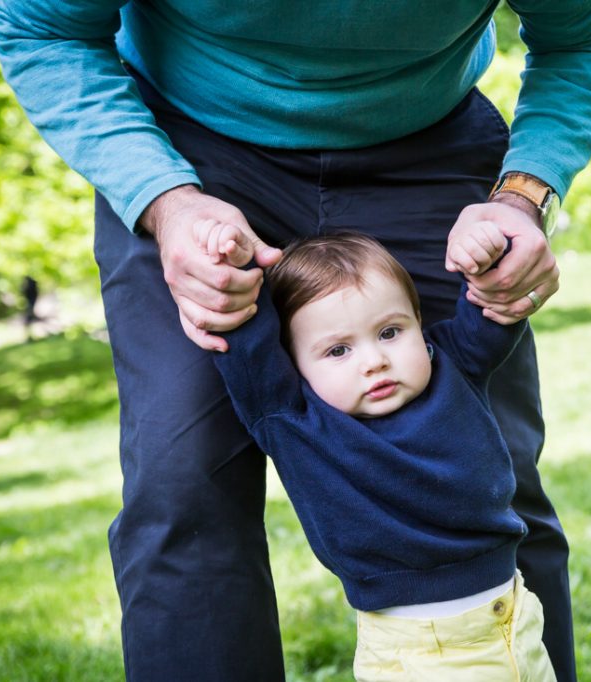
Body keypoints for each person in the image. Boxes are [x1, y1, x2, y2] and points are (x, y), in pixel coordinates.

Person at [0, 3, 591, 679]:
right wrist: (166, 199)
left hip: (427, 143)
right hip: (190, 155)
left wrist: (522, 198)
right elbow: (39, 24)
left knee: (488, 467)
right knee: (183, 490)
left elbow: (588, 38)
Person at [204, 226, 553, 680]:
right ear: (292, 364)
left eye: (389, 332)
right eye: (338, 350)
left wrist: (487, 252)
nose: (373, 361)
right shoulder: (295, 420)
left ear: (417, 319)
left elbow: (494, 302)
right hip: (419, 652)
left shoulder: (452, 364)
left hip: (518, 623)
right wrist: (232, 264)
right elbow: (242, 336)